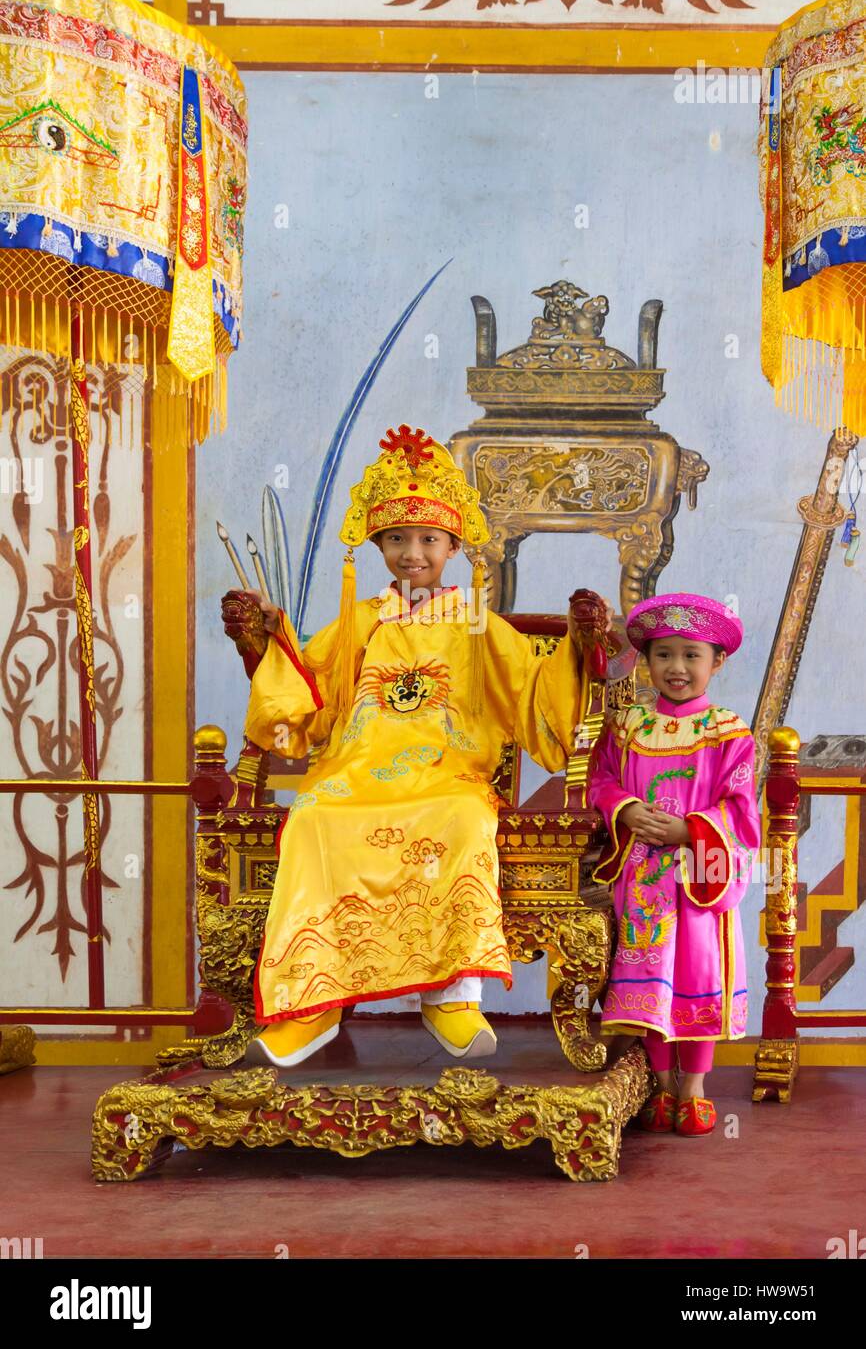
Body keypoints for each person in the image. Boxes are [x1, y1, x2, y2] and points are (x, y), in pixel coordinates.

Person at [224, 425, 605, 1067]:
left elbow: (535, 691)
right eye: (397, 539)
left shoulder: (476, 622)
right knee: (313, 819)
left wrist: (578, 645)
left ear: (453, 545)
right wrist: (265, 641)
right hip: (355, 774)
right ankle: (312, 1003)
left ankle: (453, 997)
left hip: (446, 775)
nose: (412, 553)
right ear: (377, 545)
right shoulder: (361, 620)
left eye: (429, 539)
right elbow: (306, 697)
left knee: (463, 820)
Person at [588, 593, 760, 1137]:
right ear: (647, 661)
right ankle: (661, 1085)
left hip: (698, 875)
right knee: (646, 977)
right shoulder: (628, 725)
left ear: (717, 662)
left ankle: (694, 1087)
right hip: (641, 878)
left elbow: (741, 806)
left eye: (692, 655)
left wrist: (691, 828)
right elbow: (601, 781)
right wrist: (627, 807)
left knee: (696, 973)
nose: (677, 668)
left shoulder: (727, 731)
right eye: (664, 655)